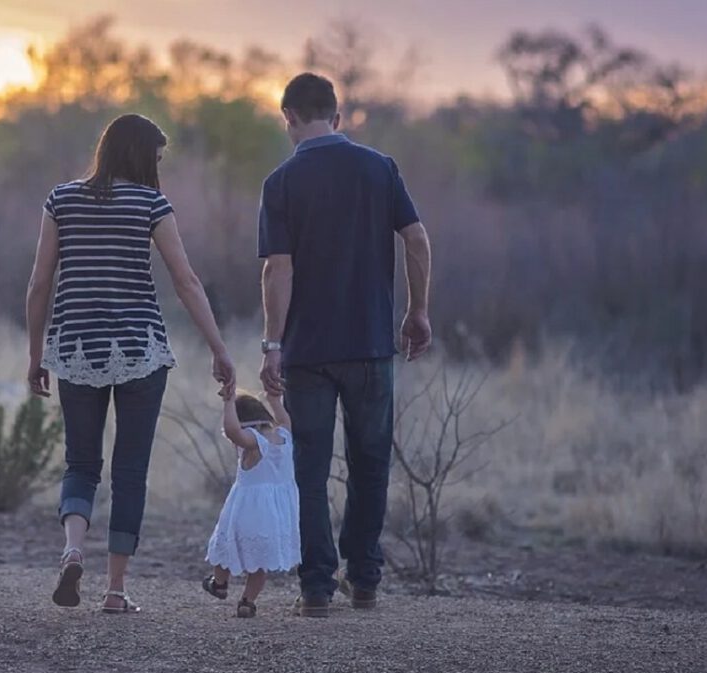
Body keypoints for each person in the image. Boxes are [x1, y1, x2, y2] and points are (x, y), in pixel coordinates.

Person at [26, 113, 236, 614]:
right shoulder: (151, 204)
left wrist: (36, 355)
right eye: (157, 158)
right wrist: (219, 348)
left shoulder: (61, 200)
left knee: (80, 463)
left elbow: (39, 284)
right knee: (130, 472)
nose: (159, 168)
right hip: (140, 350)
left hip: (76, 349)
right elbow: (186, 282)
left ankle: (73, 548)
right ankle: (115, 591)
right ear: (142, 156)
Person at [257, 73, 433, 617]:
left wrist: (271, 344)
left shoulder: (281, 181)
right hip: (371, 346)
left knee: (309, 468)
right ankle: (365, 580)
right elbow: (417, 238)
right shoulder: (380, 168)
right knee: (370, 462)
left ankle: (315, 589)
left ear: (288, 117)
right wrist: (417, 310)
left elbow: (277, 270)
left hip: (308, 351)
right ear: (337, 116)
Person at [202, 390, 300, 618]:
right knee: (259, 562)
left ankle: (219, 583)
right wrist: (274, 398)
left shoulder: (254, 442)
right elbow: (284, 418)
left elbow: (233, 431)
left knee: (225, 546)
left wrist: (228, 403)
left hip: (247, 511)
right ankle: (247, 601)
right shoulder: (284, 435)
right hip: (276, 515)